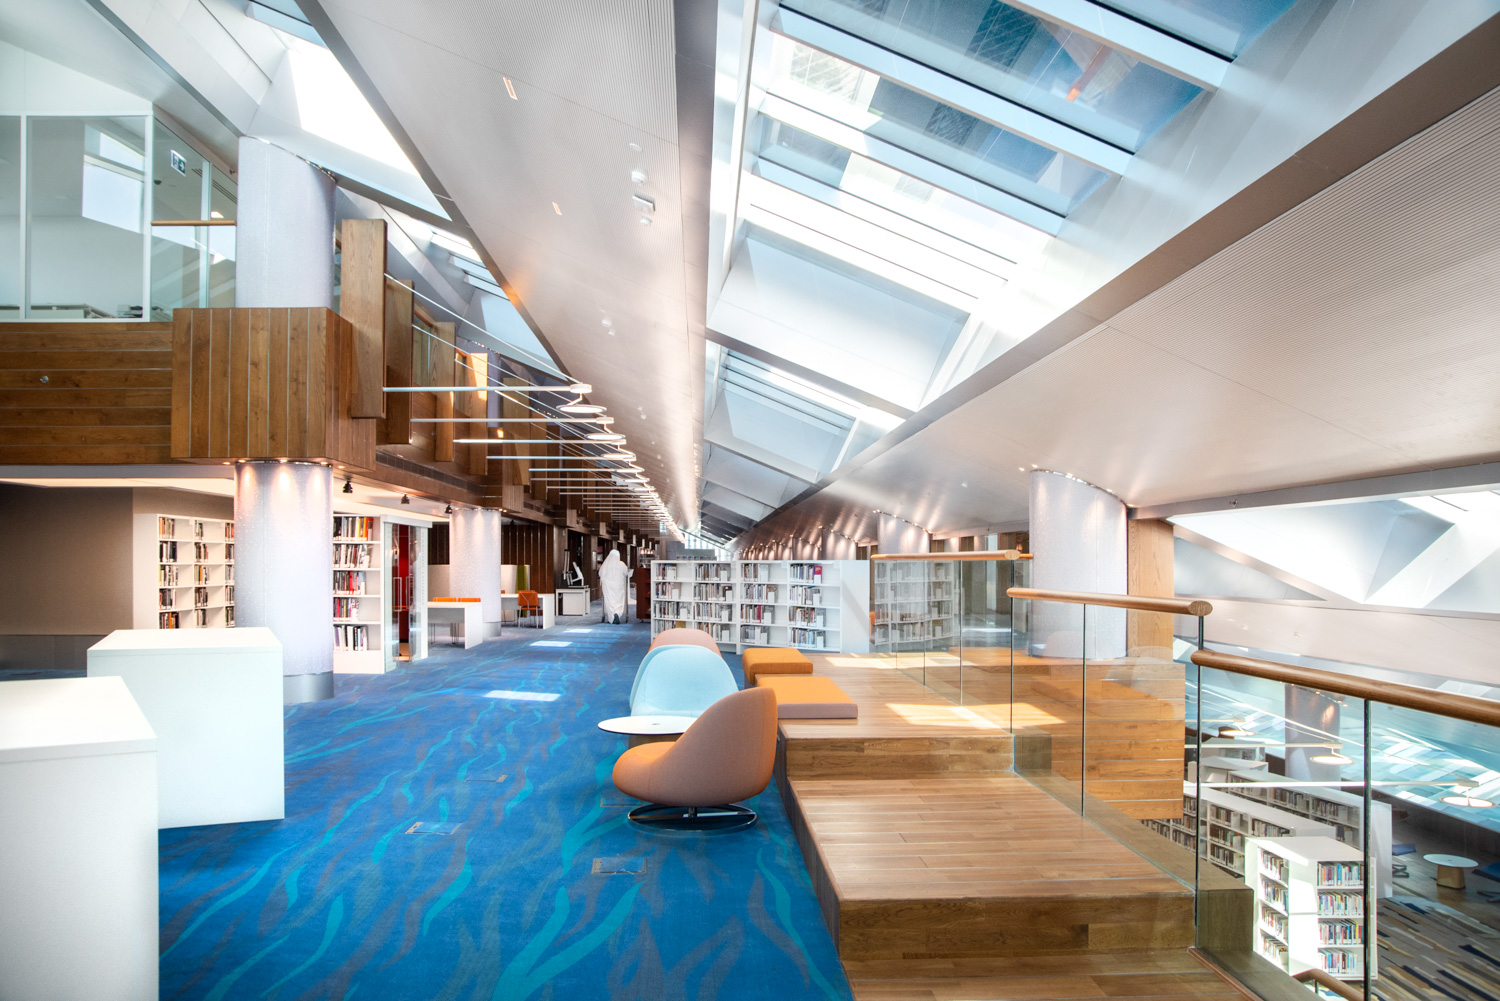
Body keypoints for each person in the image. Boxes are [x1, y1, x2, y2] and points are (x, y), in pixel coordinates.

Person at [599, 549, 630, 624]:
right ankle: (617, 614)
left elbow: (600, 573)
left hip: (608, 586)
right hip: (618, 586)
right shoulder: (621, 564)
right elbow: (626, 572)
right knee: (618, 601)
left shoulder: (605, 565)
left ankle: (612, 617)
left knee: (609, 601)